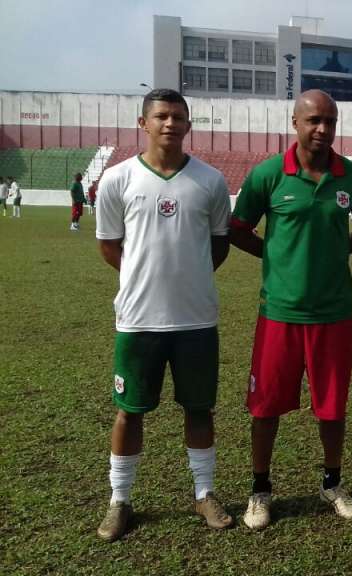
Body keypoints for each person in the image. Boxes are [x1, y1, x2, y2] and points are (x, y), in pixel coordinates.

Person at [230, 89, 352, 531]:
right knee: (265, 407)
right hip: (279, 314)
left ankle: (332, 483)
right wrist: (275, 255)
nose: (323, 129)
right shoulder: (269, 174)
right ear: (294, 122)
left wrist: (336, 252)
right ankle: (260, 491)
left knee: (332, 408)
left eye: (330, 121)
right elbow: (238, 228)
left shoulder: (351, 177)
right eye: (314, 120)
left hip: (334, 315)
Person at [94, 89, 233, 542]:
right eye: (161, 116)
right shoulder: (117, 179)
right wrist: (144, 277)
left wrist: (185, 276)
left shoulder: (210, 181)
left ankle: (205, 493)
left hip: (196, 320)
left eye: (178, 117)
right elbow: (109, 246)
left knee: (199, 409)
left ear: (189, 125)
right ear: (143, 123)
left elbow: (218, 246)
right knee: (129, 412)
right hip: (137, 320)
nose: (170, 123)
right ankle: (120, 500)